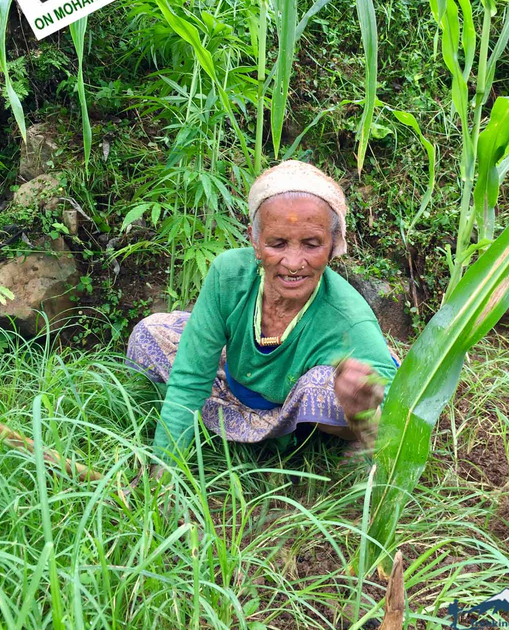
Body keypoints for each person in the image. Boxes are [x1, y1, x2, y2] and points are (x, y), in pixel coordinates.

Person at [126, 160, 400, 468]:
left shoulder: (348, 318)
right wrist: (165, 466)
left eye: (311, 244)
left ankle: (301, 446)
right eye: (277, 244)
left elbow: (399, 407)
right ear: (255, 242)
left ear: (332, 245)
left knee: (328, 385)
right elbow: (192, 374)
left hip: (292, 410)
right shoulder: (229, 274)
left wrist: (363, 414)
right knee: (150, 333)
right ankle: (189, 422)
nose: (293, 263)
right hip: (234, 379)